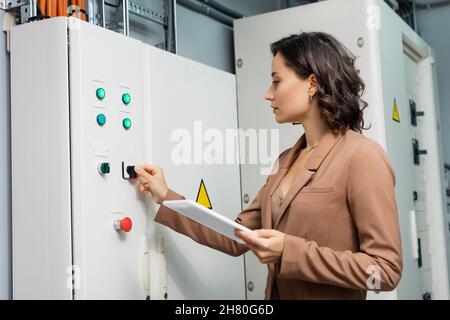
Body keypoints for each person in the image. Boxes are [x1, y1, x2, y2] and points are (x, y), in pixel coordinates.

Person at [134, 32, 403, 300]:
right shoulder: (286, 160)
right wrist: (166, 197)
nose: (268, 94)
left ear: (312, 84)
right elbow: (235, 235)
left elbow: (385, 271)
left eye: (276, 82)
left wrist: (290, 251)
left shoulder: (362, 156)